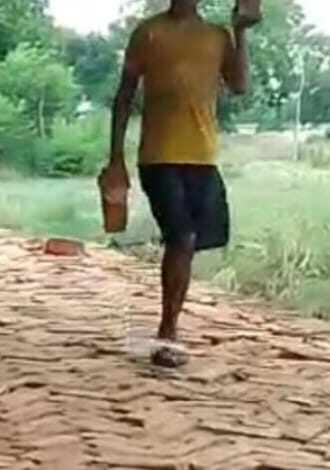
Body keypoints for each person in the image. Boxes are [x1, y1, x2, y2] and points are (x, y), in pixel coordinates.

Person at [104, 0, 254, 367]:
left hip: (202, 156)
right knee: (181, 237)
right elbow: (124, 96)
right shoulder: (149, 33)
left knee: (192, 241)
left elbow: (240, 86)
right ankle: (168, 332)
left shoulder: (217, 36)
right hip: (158, 155)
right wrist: (116, 158)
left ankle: (170, 323)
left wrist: (241, 30)